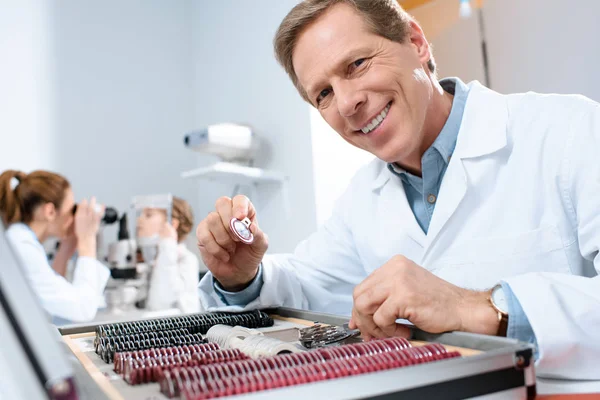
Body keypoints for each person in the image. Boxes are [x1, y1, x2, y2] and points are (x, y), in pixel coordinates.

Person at [194, 0, 600, 379]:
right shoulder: (362, 199)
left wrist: (475, 307)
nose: (348, 102)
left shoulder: (569, 130)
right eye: (324, 93)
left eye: (357, 64)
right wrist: (242, 278)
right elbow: (302, 285)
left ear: (416, 42)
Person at [0, 169, 110, 322]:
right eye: (71, 209)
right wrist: (87, 241)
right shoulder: (22, 247)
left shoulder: (20, 239)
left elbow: (55, 304)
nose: (73, 217)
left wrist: (66, 248)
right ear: (50, 211)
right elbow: (82, 310)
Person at [141, 196, 200, 314]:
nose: (140, 220)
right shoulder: (155, 257)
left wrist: (167, 244)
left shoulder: (187, 259)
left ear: (171, 223)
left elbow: (166, 297)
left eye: (148, 215)